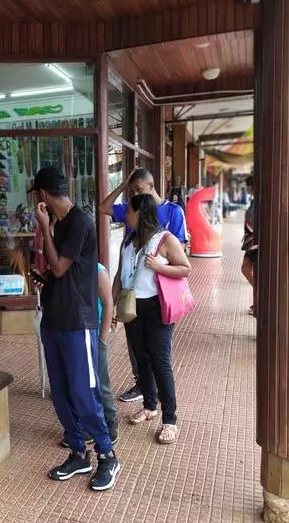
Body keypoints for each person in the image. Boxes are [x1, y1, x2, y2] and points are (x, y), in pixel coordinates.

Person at [31, 166, 121, 491]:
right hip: (54, 321)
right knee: (61, 393)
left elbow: (59, 267)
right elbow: (60, 275)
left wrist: (44, 227)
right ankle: (78, 453)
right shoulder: (60, 224)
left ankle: (107, 455)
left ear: (42, 195)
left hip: (77, 323)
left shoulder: (81, 222)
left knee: (84, 392)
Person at [99, 168, 186, 404]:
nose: (134, 195)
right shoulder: (130, 226)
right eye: (131, 192)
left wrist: (160, 265)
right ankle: (146, 394)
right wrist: (123, 185)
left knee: (159, 355)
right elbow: (104, 208)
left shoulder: (172, 213)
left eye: (138, 190)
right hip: (133, 297)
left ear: (152, 186)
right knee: (139, 352)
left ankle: (166, 411)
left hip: (160, 297)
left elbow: (181, 259)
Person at [112, 194, 191, 444]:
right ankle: (149, 406)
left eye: (129, 211)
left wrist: (160, 267)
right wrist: (112, 306)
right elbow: (119, 275)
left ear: (141, 213)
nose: (126, 215)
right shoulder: (128, 241)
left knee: (160, 361)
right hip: (131, 307)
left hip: (157, 307)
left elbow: (185, 268)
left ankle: (170, 420)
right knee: (141, 358)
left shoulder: (165, 239)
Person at [57, 262, 117, 449]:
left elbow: (108, 304)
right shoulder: (65, 270)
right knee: (79, 383)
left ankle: (110, 421)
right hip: (76, 335)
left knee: (100, 381)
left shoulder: (98, 271)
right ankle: (84, 426)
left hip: (95, 334)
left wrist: (102, 339)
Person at [241, 176, 258, 316]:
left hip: (255, 242)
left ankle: (260, 296)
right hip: (253, 241)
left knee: (246, 268)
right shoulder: (255, 200)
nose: (246, 188)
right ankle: (259, 299)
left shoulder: (257, 201)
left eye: (247, 185)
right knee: (248, 269)